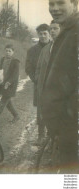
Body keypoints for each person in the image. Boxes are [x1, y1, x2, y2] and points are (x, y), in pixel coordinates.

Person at [39, 0, 79, 173]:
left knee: (71, 176)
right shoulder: (67, 32)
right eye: (51, 3)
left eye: (60, 3)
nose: (54, 8)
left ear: (75, 3)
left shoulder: (76, 32)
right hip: (64, 127)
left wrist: (67, 118)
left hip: (70, 127)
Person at [35, 20, 61, 144]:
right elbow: (39, 67)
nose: (52, 31)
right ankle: (44, 137)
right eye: (51, 29)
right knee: (43, 114)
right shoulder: (45, 49)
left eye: (55, 28)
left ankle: (54, 141)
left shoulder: (67, 48)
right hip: (44, 89)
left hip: (59, 91)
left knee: (57, 116)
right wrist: (38, 81)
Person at [25, 24, 51, 141]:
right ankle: (41, 135)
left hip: (53, 85)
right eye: (40, 34)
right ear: (38, 35)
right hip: (39, 85)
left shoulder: (55, 48)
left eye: (45, 33)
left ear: (49, 33)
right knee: (40, 110)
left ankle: (52, 137)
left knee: (53, 109)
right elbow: (28, 67)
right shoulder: (32, 50)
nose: (43, 36)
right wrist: (36, 79)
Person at [0, 44, 20, 123]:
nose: (7, 52)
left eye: (9, 51)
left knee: (3, 102)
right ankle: (16, 115)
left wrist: (9, 82)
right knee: (7, 101)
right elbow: (1, 70)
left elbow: (15, 75)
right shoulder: (3, 59)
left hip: (10, 85)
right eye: (6, 51)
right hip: (3, 83)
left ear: (13, 52)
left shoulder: (15, 62)